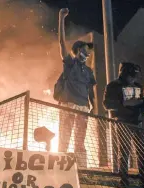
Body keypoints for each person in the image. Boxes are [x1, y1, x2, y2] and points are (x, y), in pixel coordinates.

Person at [56, 8, 96, 166]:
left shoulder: (88, 70)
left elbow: (90, 88)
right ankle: (60, 168)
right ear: (78, 51)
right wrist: (61, 18)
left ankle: (82, 171)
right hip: (68, 106)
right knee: (64, 139)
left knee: (80, 140)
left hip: (83, 108)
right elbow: (61, 43)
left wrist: (91, 104)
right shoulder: (70, 63)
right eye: (86, 50)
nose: (88, 53)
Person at [103, 62, 144, 188]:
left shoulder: (138, 85)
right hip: (123, 122)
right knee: (124, 152)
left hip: (137, 122)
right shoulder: (113, 86)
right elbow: (107, 104)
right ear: (124, 74)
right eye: (131, 75)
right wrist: (124, 103)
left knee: (143, 152)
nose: (133, 78)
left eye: (135, 76)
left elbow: (142, 105)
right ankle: (124, 181)